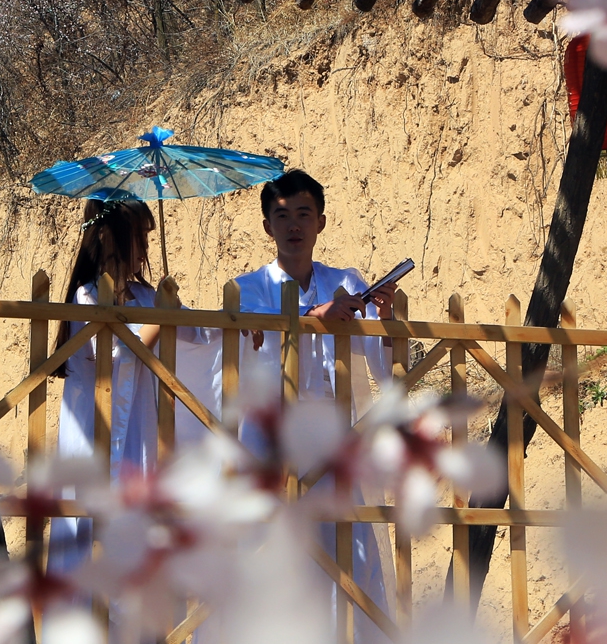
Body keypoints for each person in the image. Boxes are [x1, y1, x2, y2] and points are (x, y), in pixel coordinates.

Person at [226, 169, 395, 641]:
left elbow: (384, 368)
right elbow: (241, 349)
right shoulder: (247, 288)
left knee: (349, 557)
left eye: (304, 213)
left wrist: (385, 319)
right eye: (282, 216)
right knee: (273, 557)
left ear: (321, 221)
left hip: (335, 439)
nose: (294, 225)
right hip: (271, 442)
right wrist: (310, 316)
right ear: (267, 226)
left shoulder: (346, 282)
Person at [48, 190, 205, 575]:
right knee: (89, 527)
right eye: (138, 237)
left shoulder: (147, 295)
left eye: (148, 238)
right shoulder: (86, 297)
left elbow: (197, 333)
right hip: (93, 430)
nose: (145, 248)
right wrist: (159, 318)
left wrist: (223, 324)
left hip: (138, 427)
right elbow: (116, 354)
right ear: (107, 235)